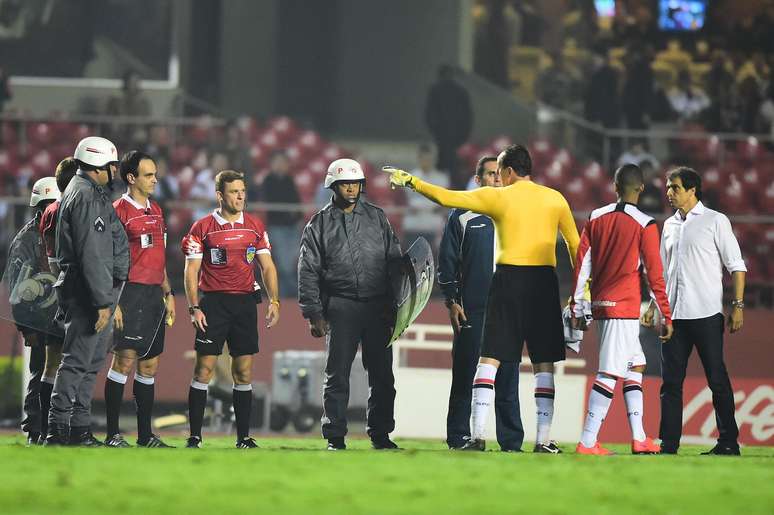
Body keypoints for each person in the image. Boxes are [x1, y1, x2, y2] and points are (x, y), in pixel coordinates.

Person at [387, 144, 579, 452]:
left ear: (508, 171)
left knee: (489, 359)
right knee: (543, 363)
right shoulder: (555, 198)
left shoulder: (498, 196)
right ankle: (543, 440)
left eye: (500, 171)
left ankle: (476, 436)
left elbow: (445, 196)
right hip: (544, 282)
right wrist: (582, 291)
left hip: (508, 280)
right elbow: (575, 245)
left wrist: (411, 182)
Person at [298, 158, 402, 451]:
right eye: (345, 183)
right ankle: (335, 436)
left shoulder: (378, 218)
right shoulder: (318, 223)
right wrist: (313, 313)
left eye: (356, 183)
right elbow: (307, 270)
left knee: (383, 375)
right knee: (337, 374)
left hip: (378, 308)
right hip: (340, 306)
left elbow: (395, 261)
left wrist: (396, 305)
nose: (352, 188)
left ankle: (381, 435)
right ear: (333, 185)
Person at [570, 164, 673, 456]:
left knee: (635, 365)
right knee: (608, 373)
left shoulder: (595, 217)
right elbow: (654, 274)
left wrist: (578, 305)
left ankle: (639, 438)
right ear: (641, 189)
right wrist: (665, 313)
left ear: (615, 187)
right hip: (624, 307)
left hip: (602, 304)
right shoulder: (646, 223)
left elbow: (583, 264)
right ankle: (587, 441)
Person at [643, 167, 746, 455]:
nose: (668, 193)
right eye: (667, 187)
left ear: (692, 190)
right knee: (671, 384)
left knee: (717, 379)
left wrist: (737, 306)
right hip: (674, 317)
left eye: (674, 187)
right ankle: (669, 444)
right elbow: (662, 271)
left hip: (706, 315)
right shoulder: (669, 226)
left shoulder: (716, 221)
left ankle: (728, 442)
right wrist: (653, 305)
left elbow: (736, 266)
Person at [181, 170, 280, 449]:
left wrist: (274, 301)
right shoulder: (202, 228)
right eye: (234, 191)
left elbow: (267, 266)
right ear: (220, 195)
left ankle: (243, 437)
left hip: (245, 303)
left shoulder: (255, 226)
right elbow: (191, 271)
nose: (240, 196)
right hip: (214, 303)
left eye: (242, 191)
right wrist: (193, 307)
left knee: (244, 372)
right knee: (204, 369)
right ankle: (195, 436)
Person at [45, 136, 129, 446]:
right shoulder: (87, 197)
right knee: (78, 361)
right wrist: (103, 301)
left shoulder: (87, 192)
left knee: (90, 363)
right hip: (87, 291)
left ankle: (78, 429)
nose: (115, 171)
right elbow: (93, 254)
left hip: (89, 288)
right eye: (111, 165)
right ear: (98, 166)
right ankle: (58, 429)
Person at [438, 156, 524, 451]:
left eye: (499, 174)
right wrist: (451, 301)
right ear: (478, 181)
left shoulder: (518, 215)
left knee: (509, 377)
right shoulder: (460, 215)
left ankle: (511, 441)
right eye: (489, 174)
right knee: (465, 373)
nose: (496, 179)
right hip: (472, 308)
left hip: (509, 311)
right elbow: (447, 263)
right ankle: (459, 436)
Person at [103, 151, 175, 448]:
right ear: (131, 178)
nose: (155, 179)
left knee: (149, 365)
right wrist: (113, 300)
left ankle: (145, 436)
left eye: (155, 173)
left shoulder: (157, 209)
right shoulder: (117, 210)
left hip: (153, 294)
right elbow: (106, 258)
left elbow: (159, 256)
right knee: (125, 361)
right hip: (128, 292)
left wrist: (168, 292)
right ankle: (112, 434)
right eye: (148, 174)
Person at [6, 176, 60, 444]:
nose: (51, 208)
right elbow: (17, 288)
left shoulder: (57, 233)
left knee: (55, 372)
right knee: (41, 372)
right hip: (39, 319)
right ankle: (35, 429)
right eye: (47, 204)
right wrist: (26, 327)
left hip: (59, 315)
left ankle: (53, 426)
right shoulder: (26, 240)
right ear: (38, 206)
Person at [37, 157, 79, 442]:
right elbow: (54, 260)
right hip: (67, 293)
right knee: (71, 363)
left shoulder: (52, 210)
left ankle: (46, 428)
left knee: (55, 364)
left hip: (57, 291)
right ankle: (60, 427)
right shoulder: (63, 208)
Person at [260, 150, 303, 298]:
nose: (280, 165)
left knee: (292, 262)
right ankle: (291, 294)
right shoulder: (268, 181)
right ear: (271, 164)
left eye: (283, 162)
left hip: (292, 227)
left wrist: (298, 218)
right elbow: (272, 203)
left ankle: (287, 294)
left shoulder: (290, 180)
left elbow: (296, 203)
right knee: (284, 264)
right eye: (277, 162)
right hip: (277, 227)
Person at [425, 65, 473, 184]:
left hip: (441, 134)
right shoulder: (461, 91)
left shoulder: (435, 90)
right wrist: (464, 135)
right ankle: (455, 187)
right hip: (457, 136)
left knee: (443, 161)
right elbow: (468, 116)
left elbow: (429, 114)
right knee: (454, 163)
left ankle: (441, 186)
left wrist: (435, 131)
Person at [403, 144, 450, 252]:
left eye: (428, 159)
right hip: (414, 224)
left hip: (433, 224)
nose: (426, 162)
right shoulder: (409, 178)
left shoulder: (442, 178)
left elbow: (443, 203)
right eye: (423, 159)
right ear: (419, 159)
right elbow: (406, 202)